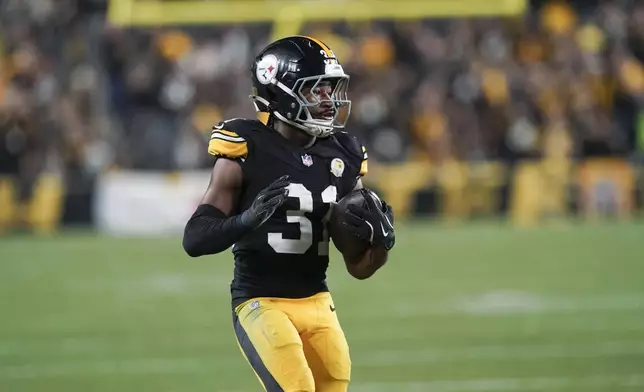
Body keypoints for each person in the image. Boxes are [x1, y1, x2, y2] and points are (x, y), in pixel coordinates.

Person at [182, 36, 395, 392]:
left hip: (317, 300)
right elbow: (195, 238)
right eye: (316, 91)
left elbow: (359, 267)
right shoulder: (246, 143)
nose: (329, 100)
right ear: (280, 94)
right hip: (261, 301)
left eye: (330, 89)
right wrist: (246, 220)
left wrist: (380, 245)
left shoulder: (345, 152)